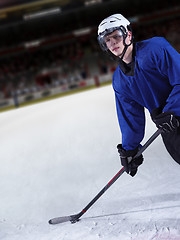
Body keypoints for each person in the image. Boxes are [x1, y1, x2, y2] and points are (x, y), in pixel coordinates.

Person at [97, 14, 180, 177]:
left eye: (116, 36)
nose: (112, 42)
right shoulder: (119, 82)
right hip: (166, 123)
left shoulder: (156, 48)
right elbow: (130, 118)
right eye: (107, 40)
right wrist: (129, 150)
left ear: (128, 34)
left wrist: (172, 109)